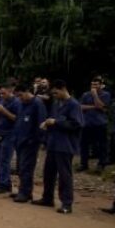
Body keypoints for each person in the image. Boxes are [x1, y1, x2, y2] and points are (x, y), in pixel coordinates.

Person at [33, 79, 83, 214]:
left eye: (56, 92)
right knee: (48, 172)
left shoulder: (73, 104)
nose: (54, 95)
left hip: (65, 145)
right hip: (53, 143)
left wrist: (56, 122)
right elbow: (53, 119)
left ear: (63, 89)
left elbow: (76, 124)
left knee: (64, 175)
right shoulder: (56, 103)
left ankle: (67, 203)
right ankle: (47, 197)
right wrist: (47, 123)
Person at [12, 84, 47, 203]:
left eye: (21, 95)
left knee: (26, 168)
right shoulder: (22, 104)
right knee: (21, 168)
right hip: (20, 140)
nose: (19, 98)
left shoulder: (37, 104)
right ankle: (23, 190)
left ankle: (25, 193)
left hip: (30, 142)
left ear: (27, 91)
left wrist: (36, 140)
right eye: (17, 96)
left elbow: (41, 124)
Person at [0, 84, 20, 194]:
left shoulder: (16, 102)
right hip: (0, 132)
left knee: (4, 159)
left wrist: (3, 111)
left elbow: (16, 118)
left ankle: (3, 183)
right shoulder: (2, 101)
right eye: (0, 93)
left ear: (10, 90)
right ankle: (4, 182)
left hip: (10, 134)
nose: (2, 95)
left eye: (4, 93)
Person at [78, 76, 110, 172]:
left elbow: (101, 107)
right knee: (84, 145)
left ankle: (101, 164)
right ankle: (84, 164)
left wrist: (95, 95)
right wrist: (93, 106)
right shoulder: (85, 95)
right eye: (92, 84)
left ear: (101, 85)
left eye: (96, 85)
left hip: (100, 123)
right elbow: (80, 107)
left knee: (102, 145)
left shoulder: (105, 94)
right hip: (87, 123)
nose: (93, 86)